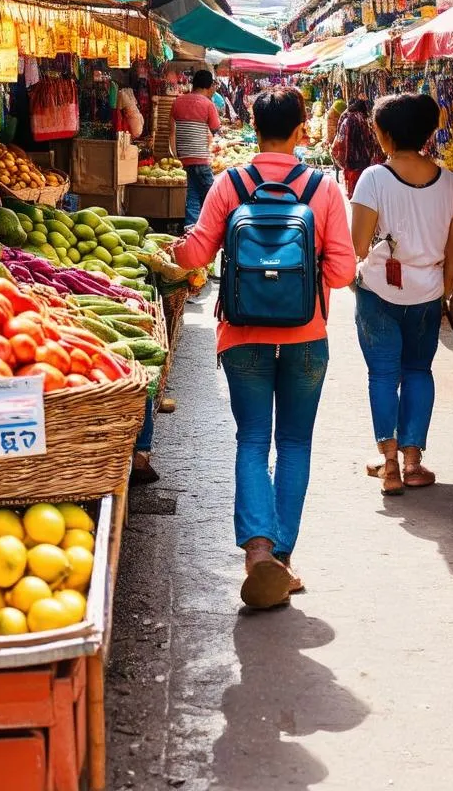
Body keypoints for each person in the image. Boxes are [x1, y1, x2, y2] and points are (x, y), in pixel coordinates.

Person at [172, 87, 356, 609]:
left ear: (253, 127)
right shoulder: (321, 189)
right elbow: (343, 273)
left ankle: (257, 555)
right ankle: (284, 558)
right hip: (305, 339)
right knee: (294, 443)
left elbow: (196, 256)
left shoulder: (230, 183)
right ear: (301, 129)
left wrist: (172, 248)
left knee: (253, 439)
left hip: (243, 338)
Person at [350, 93, 453, 496]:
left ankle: (388, 466)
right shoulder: (452, 184)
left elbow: (358, 246)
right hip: (427, 295)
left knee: (383, 374)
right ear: (428, 132)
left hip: (379, 293)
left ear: (384, 135)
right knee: (418, 372)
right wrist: (439, 291)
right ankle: (413, 462)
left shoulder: (373, 179)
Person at [170, 69, 222, 228]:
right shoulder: (207, 104)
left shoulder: (177, 101)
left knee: (192, 194)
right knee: (212, 196)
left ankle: (190, 230)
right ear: (209, 86)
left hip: (185, 157)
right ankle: (212, 230)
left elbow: (171, 129)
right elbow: (215, 128)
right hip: (200, 157)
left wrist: (174, 153)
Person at [331, 98, 381, 197]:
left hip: (351, 166)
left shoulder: (347, 120)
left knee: (355, 195)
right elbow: (375, 142)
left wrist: (340, 161)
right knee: (367, 194)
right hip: (367, 164)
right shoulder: (367, 120)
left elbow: (340, 144)